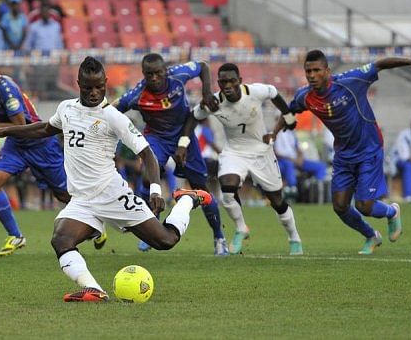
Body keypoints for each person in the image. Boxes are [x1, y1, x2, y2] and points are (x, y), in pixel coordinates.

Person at [0, 56, 214, 302]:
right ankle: (94, 289)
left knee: (166, 241)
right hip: (83, 200)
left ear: (106, 83)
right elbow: (44, 129)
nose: (94, 92)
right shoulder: (66, 108)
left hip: (112, 194)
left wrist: (155, 189)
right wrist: (3, 130)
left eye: (99, 87)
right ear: (78, 83)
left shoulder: (113, 117)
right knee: (61, 239)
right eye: (88, 87)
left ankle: (187, 199)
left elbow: (147, 154)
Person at [288, 49, 411, 254]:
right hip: (343, 154)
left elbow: (379, 64)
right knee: (340, 206)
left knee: (364, 206)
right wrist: (276, 131)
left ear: (327, 71)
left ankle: (392, 211)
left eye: (316, 70)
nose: (312, 75)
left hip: (369, 148)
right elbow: (289, 111)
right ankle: (371, 236)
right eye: (308, 71)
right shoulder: (305, 96)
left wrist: (410, 61)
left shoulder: (350, 81)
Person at [114, 53, 228, 255]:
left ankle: (219, 237)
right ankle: (151, 229)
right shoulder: (137, 94)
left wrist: (207, 93)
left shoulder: (178, 75)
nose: (155, 78)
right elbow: (113, 109)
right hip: (156, 137)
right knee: (148, 176)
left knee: (201, 188)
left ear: (165, 71)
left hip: (184, 135)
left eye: (158, 73)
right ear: (144, 75)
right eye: (150, 75)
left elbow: (203, 66)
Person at [193, 63, 303, 255]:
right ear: (218, 83)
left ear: (240, 81)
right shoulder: (214, 102)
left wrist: (288, 115)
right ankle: (241, 228)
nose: (227, 85)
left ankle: (294, 238)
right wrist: (184, 141)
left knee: (277, 200)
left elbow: (274, 92)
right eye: (223, 81)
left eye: (231, 81)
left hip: (261, 151)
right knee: (227, 188)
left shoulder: (255, 92)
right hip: (234, 151)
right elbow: (192, 117)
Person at [0, 56, 70, 256]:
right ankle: (16, 235)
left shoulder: (6, 89)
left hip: (40, 143)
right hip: (16, 144)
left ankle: (94, 223)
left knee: (63, 194)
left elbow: (21, 125)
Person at [274, 128, 328, 204]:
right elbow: (276, 153)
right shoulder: (275, 134)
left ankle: (315, 188)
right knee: (289, 166)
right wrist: (293, 160)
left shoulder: (291, 133)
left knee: (321, 166)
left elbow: (299, 149)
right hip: (283, 161)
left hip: (296, 160)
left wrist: (300, 158)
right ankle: (292, 191)